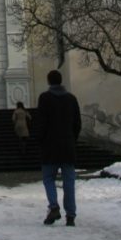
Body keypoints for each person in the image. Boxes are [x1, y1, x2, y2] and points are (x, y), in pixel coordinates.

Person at [36, 69, 82, 227]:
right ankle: (71, 215)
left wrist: (40, 140)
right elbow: (77, 123)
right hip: (68, 147)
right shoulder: (71, 99)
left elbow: (41, 123)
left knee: (48, 179)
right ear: (61, 81)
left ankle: (54, 206)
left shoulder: (45, 98)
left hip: (49, 147)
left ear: (49, 81)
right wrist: (72, 139)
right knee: (69, 182)